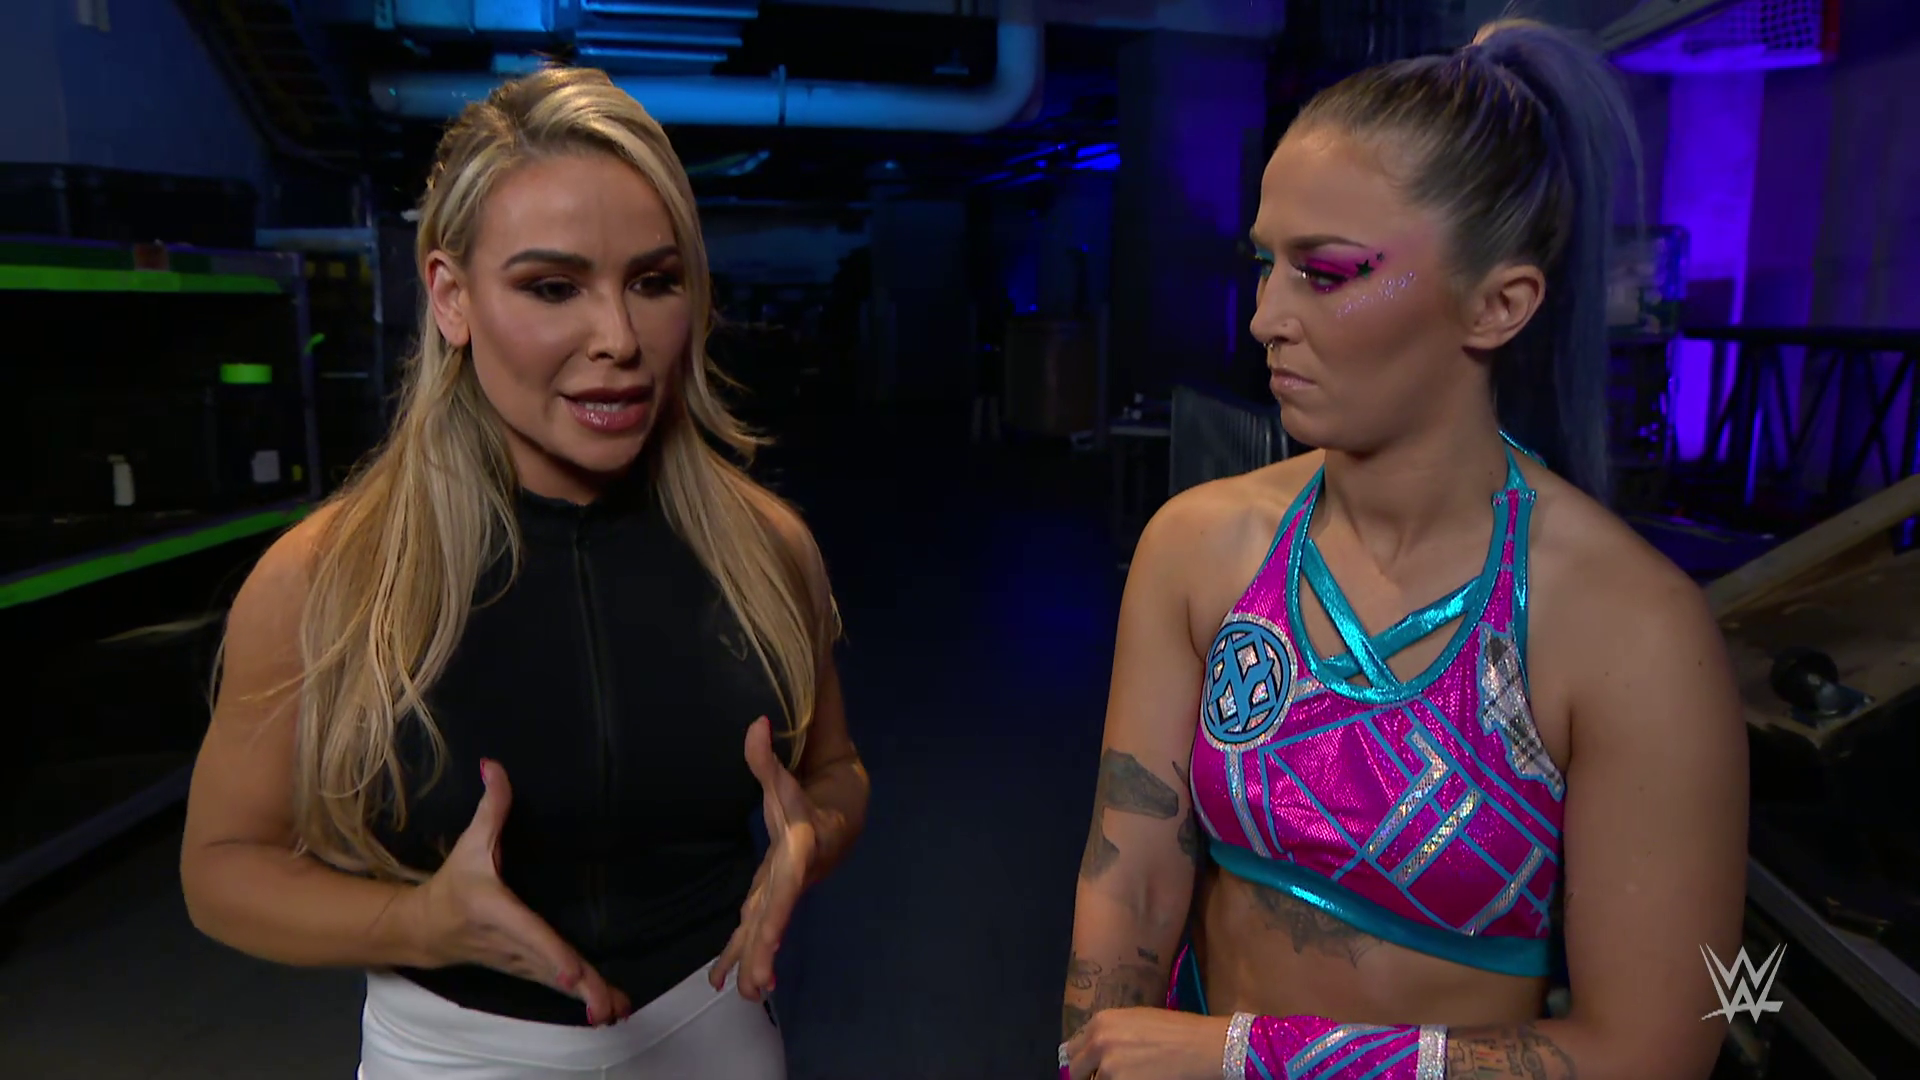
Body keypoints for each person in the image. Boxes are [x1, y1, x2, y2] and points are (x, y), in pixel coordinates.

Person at [1059, 19, 1748, 1080]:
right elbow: (1133, 880)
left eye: (1326, 273)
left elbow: (1659, 1049)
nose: (1265, 318)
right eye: (1266, 266)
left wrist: (1246, 1056)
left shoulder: (1628, 627)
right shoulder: (1200, 548)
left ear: (1498, 305)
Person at [179, 67, 868, 1079]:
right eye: (553, 288)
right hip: (452, 1055)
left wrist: (810, 842)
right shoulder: (329, 576)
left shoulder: (764, 548)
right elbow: (221, 867)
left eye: (654, 282)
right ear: (451, 296)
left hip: (717, 1033)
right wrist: (420, 922)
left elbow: (836, 773)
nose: (619, 341)